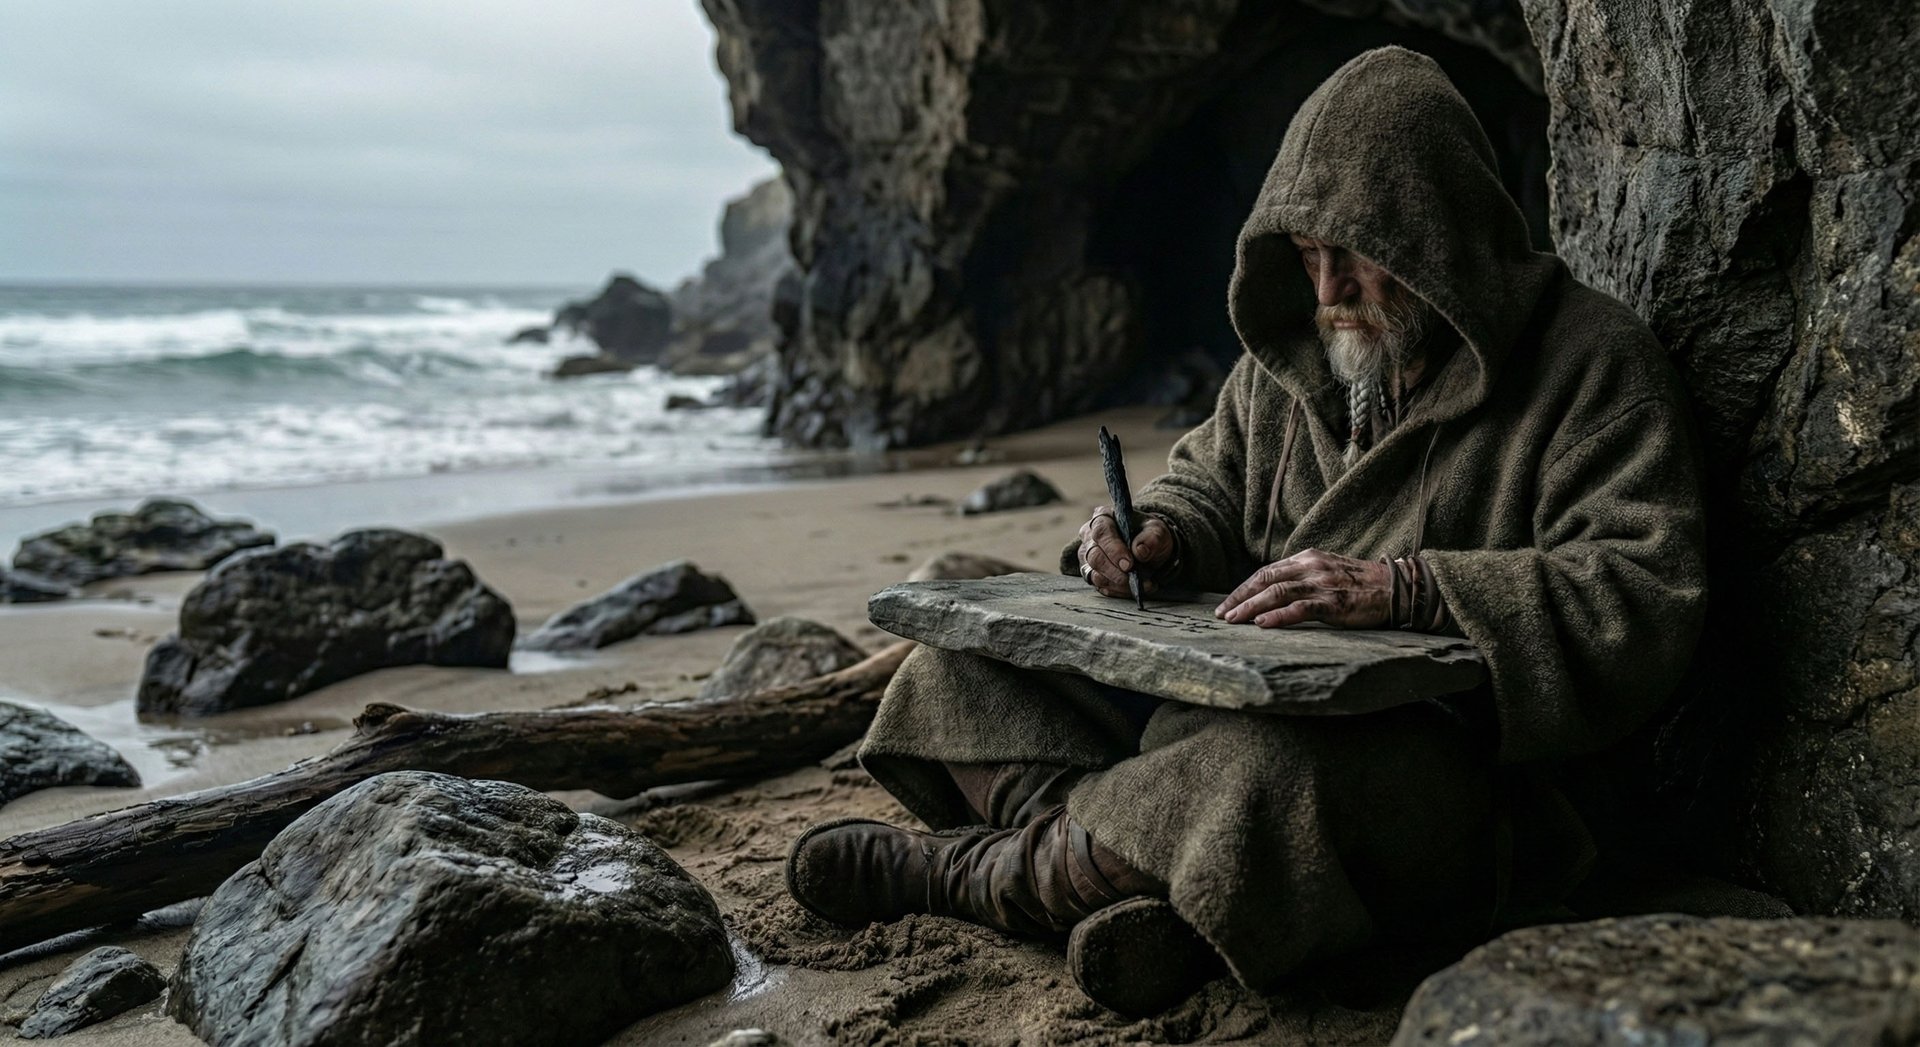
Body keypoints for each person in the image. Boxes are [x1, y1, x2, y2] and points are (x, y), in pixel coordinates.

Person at [784, 45, 1708, 1016]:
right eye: (1310, 256)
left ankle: (981, 879)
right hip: (1216, 706)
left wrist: (1413, 590)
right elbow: (1206, 484)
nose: (1329, 290)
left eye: (1360, 254)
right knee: (952, 673)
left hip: (1449, 775)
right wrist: (1160, 536)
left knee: (1266, 781)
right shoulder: (1290, 365)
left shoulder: (1593, 365)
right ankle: (1138, 881)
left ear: (1440, 233)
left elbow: (1642, 590)